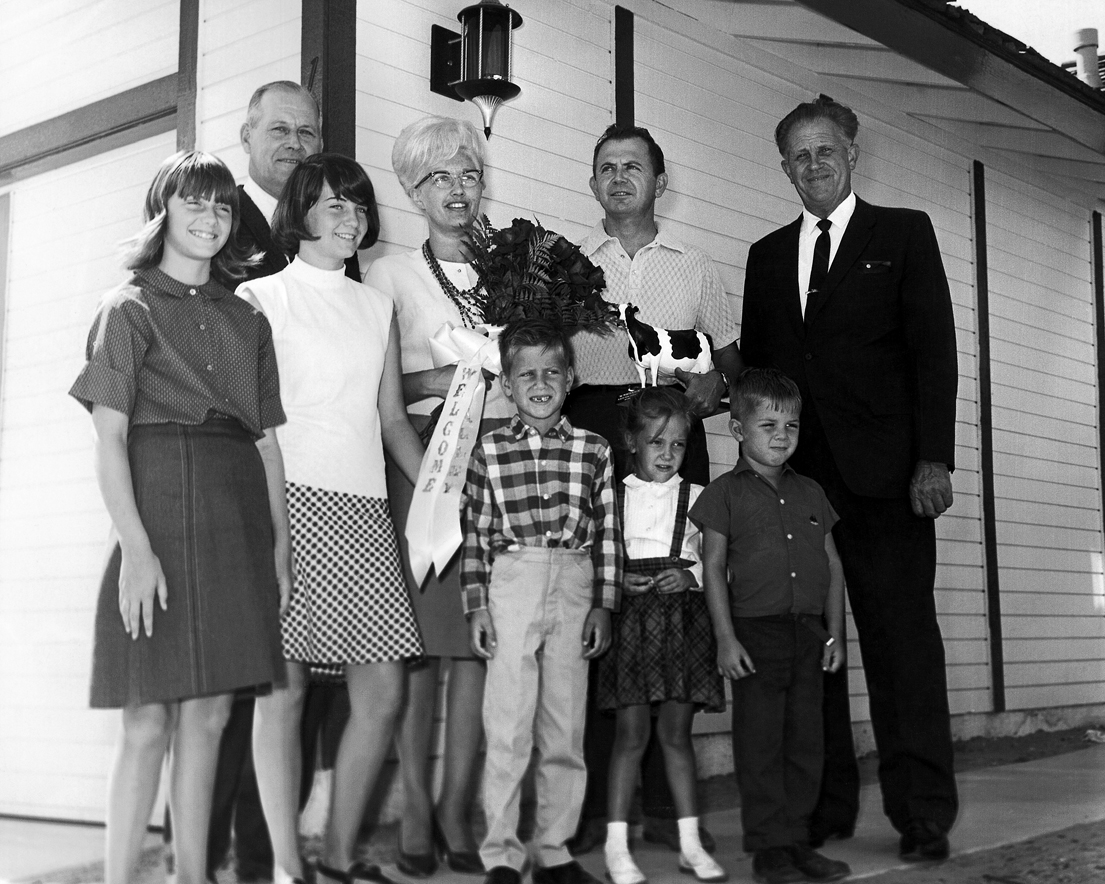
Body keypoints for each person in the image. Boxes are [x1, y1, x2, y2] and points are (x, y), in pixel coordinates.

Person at [740, 96, 959, 862]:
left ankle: (922, 814)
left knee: (903, 648)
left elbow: (934, 351)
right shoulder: (766, 256)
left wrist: (933, 457)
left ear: (852, 154)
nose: (813, 165)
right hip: (801, 493)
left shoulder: (902, 234)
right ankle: (822, 807)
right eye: (798, 156)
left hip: (889, 484)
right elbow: (763, 371)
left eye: (824, 151)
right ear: (784, 169)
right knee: (811, 654)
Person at [69, 150, 291, 884]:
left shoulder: (246, 317)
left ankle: (193, 875)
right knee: (147, 720)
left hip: (235, 513)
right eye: (195, 202)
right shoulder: (126, 307)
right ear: (162, 211)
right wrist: (135, 548)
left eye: (223, 207)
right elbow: (108, 438)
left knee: (210, 717)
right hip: (156, 507)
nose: (210, 218)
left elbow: (264, 444)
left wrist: (281, 551)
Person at [171, 80, 360, 884]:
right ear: (246, 132)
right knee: (221, 686)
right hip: (223, 470)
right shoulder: (215, 214)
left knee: (287, 687)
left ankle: (265, 859)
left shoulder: (322, 231)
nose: (294, 141)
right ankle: (200, 862)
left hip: (307, 478)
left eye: (307, 130)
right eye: (278, 128)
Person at [240, 154, 425, 884]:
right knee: (282, 693)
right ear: (301, 214)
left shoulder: (376, 306)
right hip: (288, 502)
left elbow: (391, 423)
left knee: (381, 693)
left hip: (364, 508)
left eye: (357, 206)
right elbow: (253, 420)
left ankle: (340, 854)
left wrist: (450, 495)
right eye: (332, 206)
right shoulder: (261, 297)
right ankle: (290, 867)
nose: (349, 219)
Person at [566, 123, 744, 855]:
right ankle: (590, 812)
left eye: (632, 167)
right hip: (592, 431)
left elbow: (733, 365)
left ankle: (667, 810)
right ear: (592, 184)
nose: (617, 178)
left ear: (659, 182)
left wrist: (714, 385)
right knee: (596, 602)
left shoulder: (696, 267)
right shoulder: (569, 267)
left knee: (670, 601)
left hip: (672, 436)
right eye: (605, 167)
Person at [364, 115, 510, 877]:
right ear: (411, 191)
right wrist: (454, 377)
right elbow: (382, 387)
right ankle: (416, 809)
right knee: (419, 653)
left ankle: (459, 807)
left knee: (476, 650)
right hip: (418, 460)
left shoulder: (516, 270)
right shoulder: (387, 274)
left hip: (497, 468)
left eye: (468, 174)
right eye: (438, 178)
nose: (457, 190)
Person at [462, 318, 622, 884]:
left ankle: (553, 846)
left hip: (576, 583)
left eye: (552, 371)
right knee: (507, 725)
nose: (540, 382)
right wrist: (476, 604)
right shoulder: (487, 451)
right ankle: (501, 852)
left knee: (565, 725)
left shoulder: (595, 450)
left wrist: (604, 602)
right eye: (526, 372)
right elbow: (477, 533)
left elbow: (608, 533)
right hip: (512, 580)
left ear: (571, 378)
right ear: (506, 384)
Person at [691, 368, 850, 884]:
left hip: (807, 635)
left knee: (806, 741)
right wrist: (725, 637)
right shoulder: (724, 495)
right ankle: (768, 848)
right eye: (768, 425)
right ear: (738, 429)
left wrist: (836, 633)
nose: (782, 436)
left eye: (792, 426)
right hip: (754, 636)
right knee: (760, 744)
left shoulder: (812, 494)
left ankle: (797, 840)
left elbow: (833, 565)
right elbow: (712, 568)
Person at [596, 388, 726, 884]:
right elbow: (596, 555)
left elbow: (719, 565)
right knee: (630, 736)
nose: (668, 454)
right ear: (632, 442)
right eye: (656, 443)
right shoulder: (611, 495)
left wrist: (690, 578)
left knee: (676, 735)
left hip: (681, 625)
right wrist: (616, 577)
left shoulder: (699, 499)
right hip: (631, 621)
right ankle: (616, 845)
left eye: (677, 444)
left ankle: (690, 842)